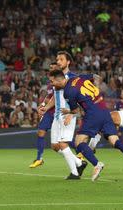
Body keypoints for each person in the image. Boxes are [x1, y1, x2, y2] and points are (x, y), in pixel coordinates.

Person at [45, 70, 123, 181]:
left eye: (52, 81)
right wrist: (96, 87)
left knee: (79, 142)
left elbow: (75, 110)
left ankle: (97, 164)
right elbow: (96, 76)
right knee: (113, 139)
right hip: (104, 109)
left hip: (92, 113)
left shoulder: (67, 91)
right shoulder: (78, 78)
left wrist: (68, 112)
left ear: (58, 80)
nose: (51, 84)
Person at [37, 51, 87, 179]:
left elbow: (81, 98)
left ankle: (75, 173)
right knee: (55, 146)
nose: (58, 62)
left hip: (67, 115)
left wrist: (73, 114)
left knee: (63, 144)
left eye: (61, 59)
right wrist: (46, 108)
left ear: (68, 62)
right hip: (57, 116)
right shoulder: (57, 77)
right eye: (57, 59)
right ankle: (79, 163)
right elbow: (55, 96)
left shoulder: (74, 78)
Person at [28, 62, 57, 168]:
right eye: (50, 68)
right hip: (49, 112)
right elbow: (50, 96)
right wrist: (43, 104)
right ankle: (39, 158)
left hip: (58, 113)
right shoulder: (50, 84)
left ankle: (80, 151)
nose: (51, 69)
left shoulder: (63, 80)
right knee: (40, 132)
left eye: (53, 67)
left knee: (62, 141)